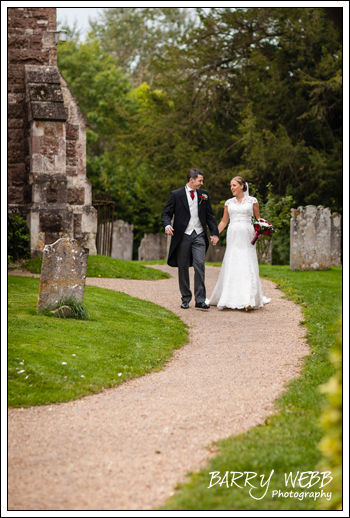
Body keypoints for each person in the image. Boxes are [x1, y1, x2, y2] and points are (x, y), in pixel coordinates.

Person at [209, 176, 271, 310]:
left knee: (246, 262)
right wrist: (215, 234)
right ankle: (229, 297)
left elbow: (257, 219)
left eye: (234, 185)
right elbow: (224, 221)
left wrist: (261, 230)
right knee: (233, 261)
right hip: (233, 236)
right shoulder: (228, 203)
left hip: (247, 236)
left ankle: (248, 299)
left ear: (242, 186)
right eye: (231, 185)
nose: (232, 188)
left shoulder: (252, 201)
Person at [162, 168, 219, 309]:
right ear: (191, 179)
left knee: (200, 263)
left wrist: (214, 233)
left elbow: (210, 216)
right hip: (182, 236)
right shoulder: (176, 195)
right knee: (183, 267)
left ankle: (200, 300)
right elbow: (166, 214)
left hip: (199, 234)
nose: (202, 183)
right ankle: (186, 298)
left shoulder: (203, 195)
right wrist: (167, 225)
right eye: (200, 180)